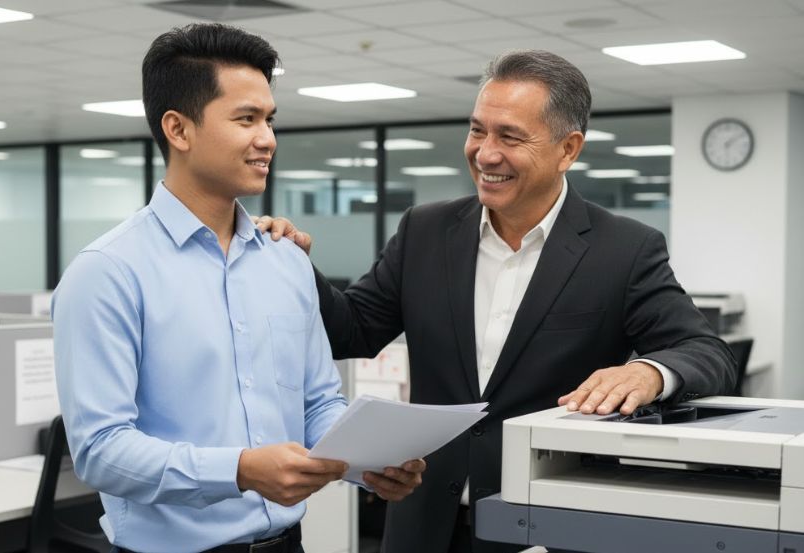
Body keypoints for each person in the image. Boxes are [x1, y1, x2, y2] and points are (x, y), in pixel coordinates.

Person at [261, 50, 736, 553]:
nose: (485, 153)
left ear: (567, 149)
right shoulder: (426, 229)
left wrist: (648, 372)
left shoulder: (623, 248)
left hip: (544, 526)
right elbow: (352, 328)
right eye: (477, 131)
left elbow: (708, 352)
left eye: (510, 137)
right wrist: (293, 264)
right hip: (421, 522)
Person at [52, 23, 424, 553]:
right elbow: (100, 450)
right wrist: (240, 470)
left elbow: (318, 403)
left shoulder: (286, 262)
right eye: (246, 119)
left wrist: (370, 463)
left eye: (269, 120)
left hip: (288, 543)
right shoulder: (108, 272)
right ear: (179, 130)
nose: (267, 138)